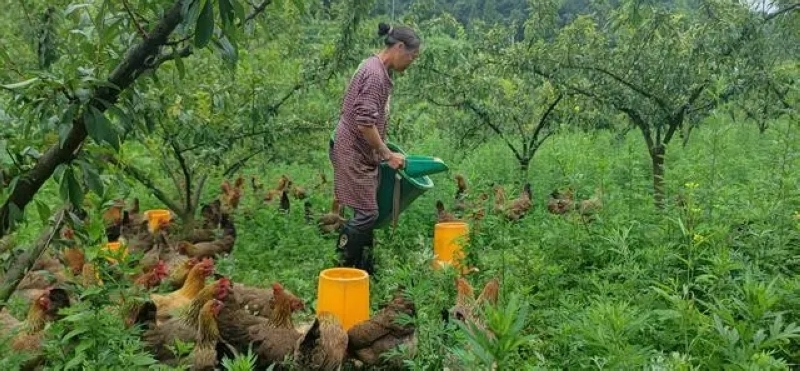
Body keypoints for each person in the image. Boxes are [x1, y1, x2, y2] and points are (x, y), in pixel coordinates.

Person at [329, 22, 421, 277]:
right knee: (368, 213)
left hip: (359, 150)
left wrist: (382, 149)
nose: (411, 62)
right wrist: (387, 154)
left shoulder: (376, 68)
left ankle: (365, 266)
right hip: (352, 151)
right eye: (412, 56)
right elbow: (365, 123)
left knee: (365, 210)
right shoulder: (375, 75)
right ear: (399, 47)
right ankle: (343, 268)